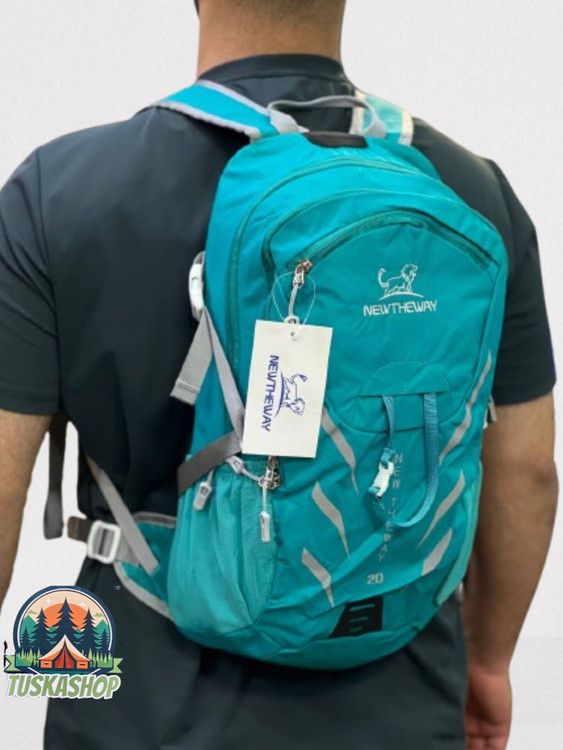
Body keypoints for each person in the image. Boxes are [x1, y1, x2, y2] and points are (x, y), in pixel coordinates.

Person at [0, 1, 558, 748]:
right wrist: (488, 664)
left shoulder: (60, 189)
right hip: (400, 689)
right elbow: (526, 469)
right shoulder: (471, 188)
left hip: (135, 702)